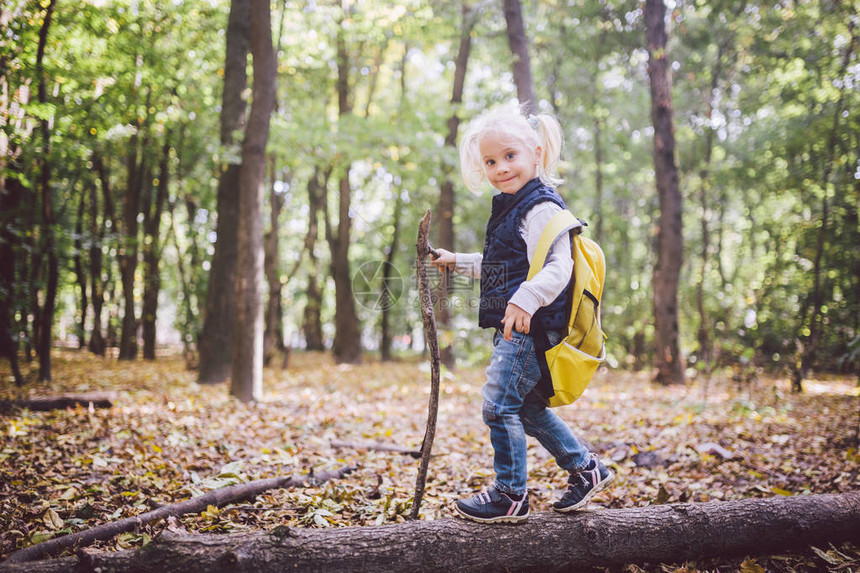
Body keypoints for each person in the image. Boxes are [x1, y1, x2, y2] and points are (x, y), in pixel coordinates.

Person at [429, 103, 613, 524]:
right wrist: (456, 260)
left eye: (509, 156)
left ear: (535, 153)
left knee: (498, 406)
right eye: (490, 161)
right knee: (526, 409)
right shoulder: (513, 206)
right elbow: (504, 264)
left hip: (529, 326)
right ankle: (587, 470)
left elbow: (558, 268)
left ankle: (510, 494)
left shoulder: (540, 207)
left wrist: (525, 299)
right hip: (517, 322)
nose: (500, 168)